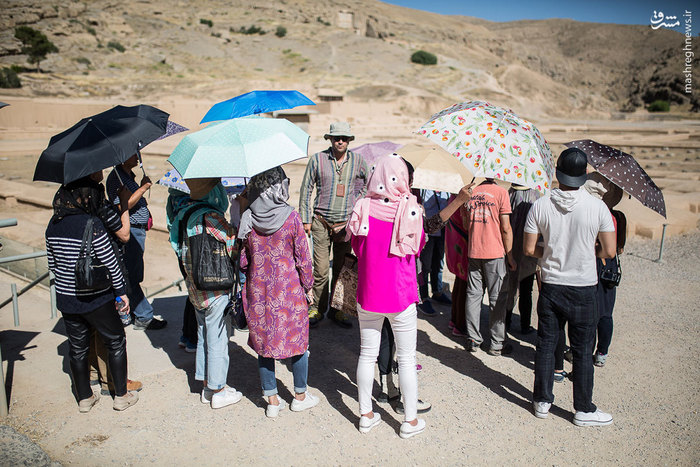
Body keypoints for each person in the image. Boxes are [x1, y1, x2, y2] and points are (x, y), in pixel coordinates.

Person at [524, 148, 616, 427]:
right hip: (583, 285)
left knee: (546, 344)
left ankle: (541, 400)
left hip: (551, 284)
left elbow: (529, 249)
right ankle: (583, 409)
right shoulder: (597, 207)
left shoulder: (540, 204)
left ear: (557, 173)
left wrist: (552, 251)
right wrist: (587, 251)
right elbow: (609, 251)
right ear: (584, 175)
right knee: (582, 349)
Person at [45, 172, 138, 412]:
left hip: (66, 298)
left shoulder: (52, 224)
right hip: (96, 297)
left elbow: (53, 265)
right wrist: (121, 292)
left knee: (77, 348)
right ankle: (121, 396)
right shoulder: (93, 224)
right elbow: (110, 262)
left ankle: (85, 398)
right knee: (116, 341)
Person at [348, 153, 426, 439]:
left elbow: (356, 245)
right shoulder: (411, 208)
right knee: (406, 358)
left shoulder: (362, 207)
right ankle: (410, 421)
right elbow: (417, 248)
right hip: (400, 294)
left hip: (368, 294)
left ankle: (366, 415)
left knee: (367, 354)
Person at [237, 167, 318, 418]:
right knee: (298, 343)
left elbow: (242, 261)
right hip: (289, 292)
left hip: (259, 292)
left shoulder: (248, 217)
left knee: (265, 345)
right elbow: (303, 258)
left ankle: (272, 401)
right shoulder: (291, 217)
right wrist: (309, 285)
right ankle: (300, 396)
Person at [168, 178, 242, 410]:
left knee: (203, 334)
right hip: (214, 287)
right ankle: (219, 389)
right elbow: (233, 246)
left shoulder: (184, 215)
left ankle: (207, 386)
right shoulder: (211, 217)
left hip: (194, 286)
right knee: (218, 337)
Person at [299, 122, 369, 328]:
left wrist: (357, 204)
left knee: (341, 269)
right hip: (320, 222)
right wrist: (306, 219)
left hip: (346, 224)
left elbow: (368, 183)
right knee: (320, 270)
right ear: (330, 139)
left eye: (344, 138)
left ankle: (337, 311)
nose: (340, 141)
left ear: (349, 141)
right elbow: (306, 190)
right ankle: (317, 309)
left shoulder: (358, 161)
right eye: (336, 137)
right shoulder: (317, 160)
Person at [106, 154, 167, 330]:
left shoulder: (126, 176)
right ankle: (143, 316)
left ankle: (133, 311)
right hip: (130, 230)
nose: (138, 157)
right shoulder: (116, 178)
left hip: (137, 229)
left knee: (134, 272)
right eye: (133, 154)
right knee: (131, 274)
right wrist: (142, 188)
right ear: (122, 158)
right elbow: (121, 205)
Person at [464, 178, 516, 356]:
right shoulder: (501, 193)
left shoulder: (471, 192)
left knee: (473, 295)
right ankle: (497, 343)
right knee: (497, 298)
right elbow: (506, 228)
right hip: (494, 253)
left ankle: (473, 338)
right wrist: (510, 256)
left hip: (474, 250)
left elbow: (465, 224)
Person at [584, 172, 627, 368]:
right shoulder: (619, 216)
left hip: (596, 262)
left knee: (592, 311)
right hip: (611, 266)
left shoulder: (597, 214)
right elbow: (619, 248)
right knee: (607, 311)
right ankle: (602, 351)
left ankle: (586, 350)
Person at [493, 184, 541, 335]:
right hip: (529, 250)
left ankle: (505, 322)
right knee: (527, 289)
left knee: (509, 287)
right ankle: (525, 325)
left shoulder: (509, 194)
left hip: (510, 248)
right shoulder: (536, 196)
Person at [417, 189, 451, 316]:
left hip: (442, 231)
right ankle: (423, 297)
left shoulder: (445, 190)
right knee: (425, 266)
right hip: (428, 231)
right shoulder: (423, 189)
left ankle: (437, 291)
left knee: (438, 263)